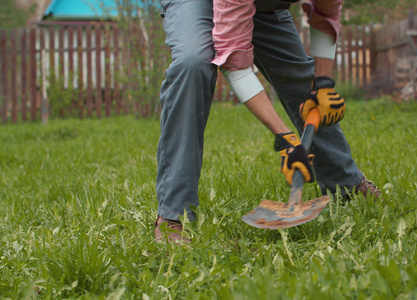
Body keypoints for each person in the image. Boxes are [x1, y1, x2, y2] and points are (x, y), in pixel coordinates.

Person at [155, 0, 381, 244]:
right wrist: (285, 137)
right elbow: (237, 66)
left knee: (305, 82)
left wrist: (323, 84)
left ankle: (345, 184)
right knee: (192, 64)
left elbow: (325, 14)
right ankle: (172, 215)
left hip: (263, 5)